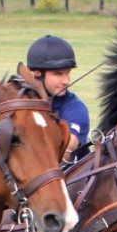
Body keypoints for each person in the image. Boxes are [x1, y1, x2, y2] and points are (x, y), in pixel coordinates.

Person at [26, 35, 91, 163]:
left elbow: (65, 153)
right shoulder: (21, 103)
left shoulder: (76, 108)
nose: (66, 81)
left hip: (72, 180)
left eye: (67, 73)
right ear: (37, 73)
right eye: (58, 74)